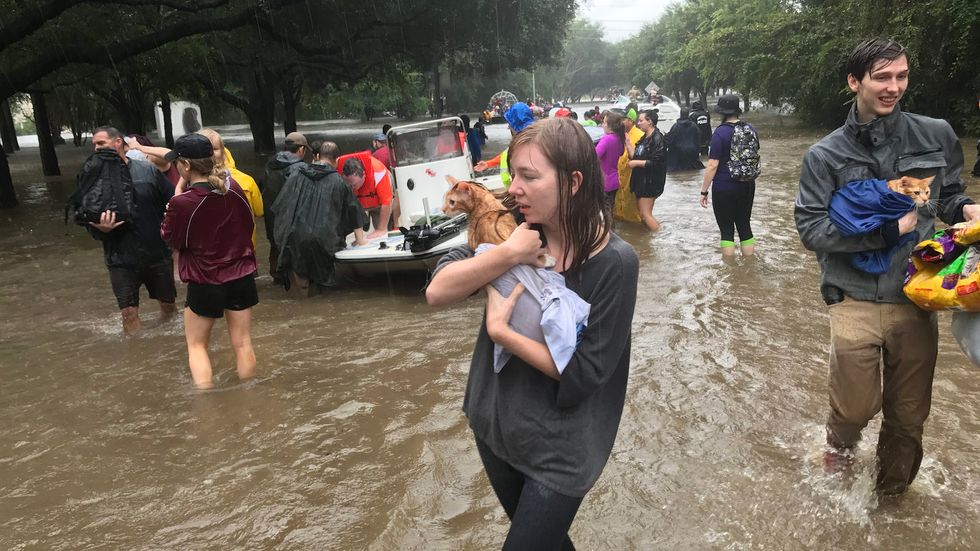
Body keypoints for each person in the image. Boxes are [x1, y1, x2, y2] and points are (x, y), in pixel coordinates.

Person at [425, 117, 639, 548]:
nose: (513, 187)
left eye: (529, 176)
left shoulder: (614, 263)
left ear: (573, 182)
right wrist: (507, 255)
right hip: (496, 424)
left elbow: (586, 372)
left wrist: (503, 334)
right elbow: (437, 291)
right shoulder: (509, 228)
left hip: (561, 448)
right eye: (513, 173)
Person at [795, 38, 980, 496]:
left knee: (909, 416)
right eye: (882, 77)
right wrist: (884, 233)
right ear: (854, 81)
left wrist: (967, 210)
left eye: (901, 76)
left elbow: (949, 195)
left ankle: (891, 500)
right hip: (852, 295)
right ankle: (837, 452)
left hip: (916, 294)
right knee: (856, 409)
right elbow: (811, 229)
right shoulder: (824, 155)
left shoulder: (935, 133)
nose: (894, 87)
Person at [161, 133, 258, 389]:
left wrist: (177, 192)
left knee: (196, 346)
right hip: (241, 275)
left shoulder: (181, 203)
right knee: (243, 342)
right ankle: (250, 396)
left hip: (206, 280)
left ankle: (206, 404)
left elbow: (171, 238)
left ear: (186, 166)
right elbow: (248, 226)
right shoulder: (234, 189)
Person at [87, 126, 176, 334]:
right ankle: (136, 351)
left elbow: (173, 203)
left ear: (118, 142)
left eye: (101, 143)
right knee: (128, 313)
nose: (96, 148)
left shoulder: (148, 171)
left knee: (169, 309)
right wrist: (100, 229)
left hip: (157, 253)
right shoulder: (92, 180)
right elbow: (85, 220)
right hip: (120, 258)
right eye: (94, 145)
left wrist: (175, 239)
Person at [272, 141, 369, 294]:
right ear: (337, 160)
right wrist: (361, 240)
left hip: (297, 236)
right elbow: (354, 211)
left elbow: (283, 205)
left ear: (317, 156)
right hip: (325, 240)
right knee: (323, 283)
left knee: (301, 277)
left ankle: (304, 301)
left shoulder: (297, 174)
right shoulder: (339, 182)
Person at [698, 94, 758, 258]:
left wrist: (704, 191)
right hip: (747, 184)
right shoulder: (750, 129)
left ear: (721, 112)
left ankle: (731, 272)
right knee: (745, 227)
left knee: (726, 231)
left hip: (724, 187)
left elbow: (712, 165)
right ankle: (748, 266)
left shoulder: (720, 133)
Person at [260, 132, 308, 284]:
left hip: (271, 215)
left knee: (275, 245)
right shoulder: (300, 168)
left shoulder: (269, 164)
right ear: (301, 149)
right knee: (294, 249)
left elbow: (261, 186)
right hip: (291, 218)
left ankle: (277, 276)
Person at [474, 102, 535, 188]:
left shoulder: (529, 142)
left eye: (509, 124)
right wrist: (488, 163)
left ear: (514, 124)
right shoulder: (522, 141)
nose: (509, 127)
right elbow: (507, 154)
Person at [338, 153, 394, 239]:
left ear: (364, 174)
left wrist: (381, 229)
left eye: (354, 185)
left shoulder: (378, 173)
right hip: (360, 203)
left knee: (381, 232)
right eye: (349, 186)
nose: (352, 189)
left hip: (378, 202)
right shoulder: (339, 175)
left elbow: (387, 202)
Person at [628, 109, 667, 231]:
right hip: (642, 180)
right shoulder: (644, 138)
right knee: (643, 215)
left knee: (645, 215)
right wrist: (627, 142)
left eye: (641, 120)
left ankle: (660, 236)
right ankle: (649, 242)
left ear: (650, 121)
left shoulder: (657, 138)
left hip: (650, 182)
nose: (638, 123)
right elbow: (636, 155)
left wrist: (636, 163)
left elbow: (656, 163)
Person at [614, 107, 644, 223]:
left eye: (624, 119)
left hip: (632, 178)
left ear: (631, 121)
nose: (621, 122)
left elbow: (638, 156)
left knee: (634, 213)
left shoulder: (640, 135)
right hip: (620, 178)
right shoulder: (620, 135)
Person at [596, 110, 628, 212]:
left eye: (604, 122)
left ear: (610, 126)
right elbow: (621, 153)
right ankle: (612, 228)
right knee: (609, 211)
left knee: (603, 212)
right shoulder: (619, 138)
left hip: (604, 181)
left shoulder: (606, 139)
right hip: (614, 180)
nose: (602, 125)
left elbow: (594, 156)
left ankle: (607, 228)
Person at [665, 107, 705, 172]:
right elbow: (699, 138)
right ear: (688, 114)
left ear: (680, 114)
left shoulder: (675, 126)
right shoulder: (694, 126)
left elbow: (670, 140)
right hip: (692, 153)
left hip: (678, 155)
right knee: (694, 172)